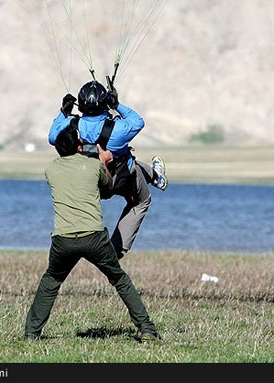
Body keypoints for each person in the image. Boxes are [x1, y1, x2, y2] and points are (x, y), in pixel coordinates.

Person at [24, 124, 161, 342]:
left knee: (51, 281)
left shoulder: (50, 169)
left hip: (63, 239)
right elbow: (107, 188)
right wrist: (104, 162)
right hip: (94, 237)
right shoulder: (92, 166)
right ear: (79, 147)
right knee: (119, 279)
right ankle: (147, 329)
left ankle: (31, 333)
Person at [48, 81, 167, 259]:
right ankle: (116, 250)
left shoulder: (72, 126)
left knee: (131, 161)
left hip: (92, 183)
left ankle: (156, 176)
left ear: (80, 105)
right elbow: (138, 121)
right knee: (141, 200)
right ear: (105, 104)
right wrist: (117, 105)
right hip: (120, 180)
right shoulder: (118, 129)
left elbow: (52, 137)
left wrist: (63, 112)